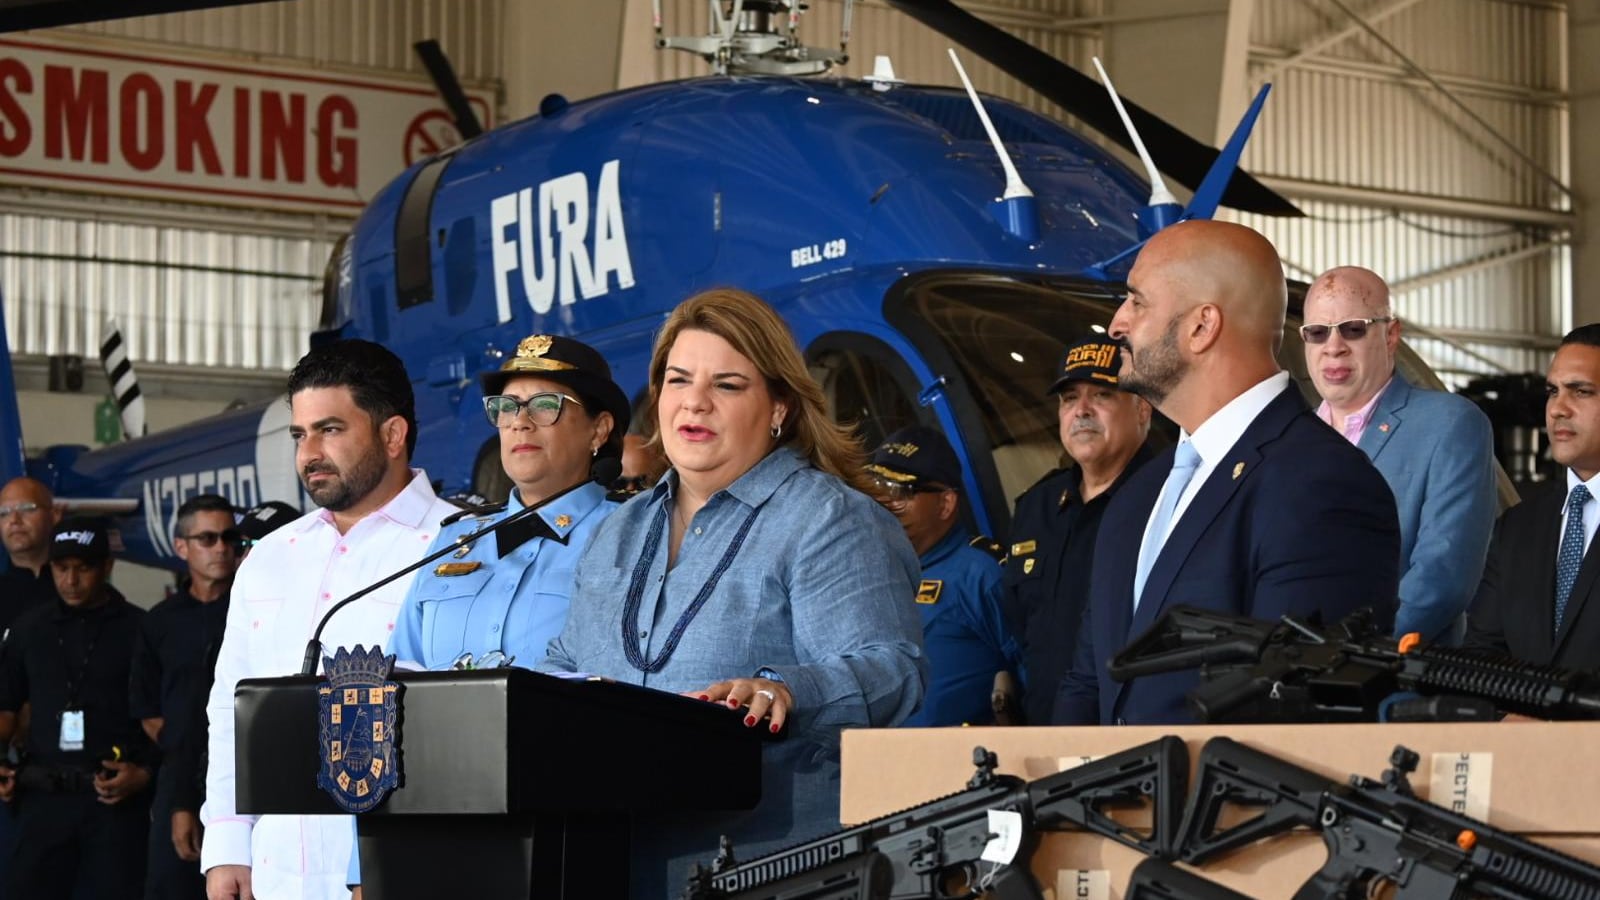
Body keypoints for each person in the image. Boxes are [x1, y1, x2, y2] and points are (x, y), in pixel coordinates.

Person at [539, 287, 925, 896]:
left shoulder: (827, 518)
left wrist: (785, 688)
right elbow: (569, 659)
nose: (694, 402)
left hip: (769, 865)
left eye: (727, 385)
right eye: (677, 379)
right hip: (612, 865)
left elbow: (891, 669)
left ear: (779, 408)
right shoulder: (620, 526)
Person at [1053, 220, 1401, 726]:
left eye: (1136, 301)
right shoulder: (1140, 494)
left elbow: (1297, 711)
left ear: (1202, 326)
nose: (1116, 324)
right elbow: (1088, 682)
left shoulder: (1321, 484)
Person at [200, 341, 458, 900]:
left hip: (396, 869)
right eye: (300, 434)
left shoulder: (457, 547)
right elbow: (230, 709)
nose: (309, 453)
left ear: (393, 435)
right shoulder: (270, 556)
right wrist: (226, 847)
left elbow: (459, 731)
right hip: (271, 871)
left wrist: (382, 861)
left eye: (330, 430)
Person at [391, 335, 627, 671]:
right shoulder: (454, 542)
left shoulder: (633, 532)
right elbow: (400, 672)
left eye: (546, 405)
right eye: (506, 407)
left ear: (599, 430)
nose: (519, 421)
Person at [1302, 266, 1498, 643]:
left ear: (1391, 335)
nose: (1333, 346)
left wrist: (1347, 659)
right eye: (1317, 332)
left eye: (1353, 328)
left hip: (1391, 681)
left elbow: (1444, 575)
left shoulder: (1450, 424)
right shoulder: (1291, 440)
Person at [1003, 335, 1156, 725]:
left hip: (1131, 738)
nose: (1081, 411)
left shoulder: (1170, 497)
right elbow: (1022, 628)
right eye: (1069, 399)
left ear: (1141, 408)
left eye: (1102, 394)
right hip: (1041, 732)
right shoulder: (1035, 507)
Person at [0, 518, 154, 899]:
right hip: (42, 798)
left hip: (115, 799)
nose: (70, 580)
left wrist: (146, 772)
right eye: (61, 568)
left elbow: (164, 716)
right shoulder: (29, 629)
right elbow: (5, 705)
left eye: (83, 568)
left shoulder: (141, 628)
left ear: (106, 567)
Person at [165, 501, 299, 892]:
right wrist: (185, 803)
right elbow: (212, 724)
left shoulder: (329, 609)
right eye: (247, 543)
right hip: (230, 795)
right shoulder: (232, 613)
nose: (248, 554)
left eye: (267, 542)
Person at [865, 425, 1020, 727]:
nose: (883, 503)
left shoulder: (981, 573)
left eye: (899, 492)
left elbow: (1032, 670)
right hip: (880, 762)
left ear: (946, 503)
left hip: (962, 763)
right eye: (875, 488)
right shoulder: (869, 572)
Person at [1467, 324, 1600, 669]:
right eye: (1552, 391)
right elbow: (1481, 650)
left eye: (1581, 392)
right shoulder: (1517, 527)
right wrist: (1512, 717)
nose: (1558, 409)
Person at [130, 495, 241, 900]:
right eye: (207, 538)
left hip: (246, 781)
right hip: (178, 781)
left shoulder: (254, 610)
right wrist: (183, 787)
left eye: (229, 537)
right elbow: (149, 713)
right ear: (181, 547)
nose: (221, 548)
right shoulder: (159, 621)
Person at [1, 476, 62, 630]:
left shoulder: (78, 587)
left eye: (27, 508)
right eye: (4, 513)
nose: (14, 520)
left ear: (54, 515)